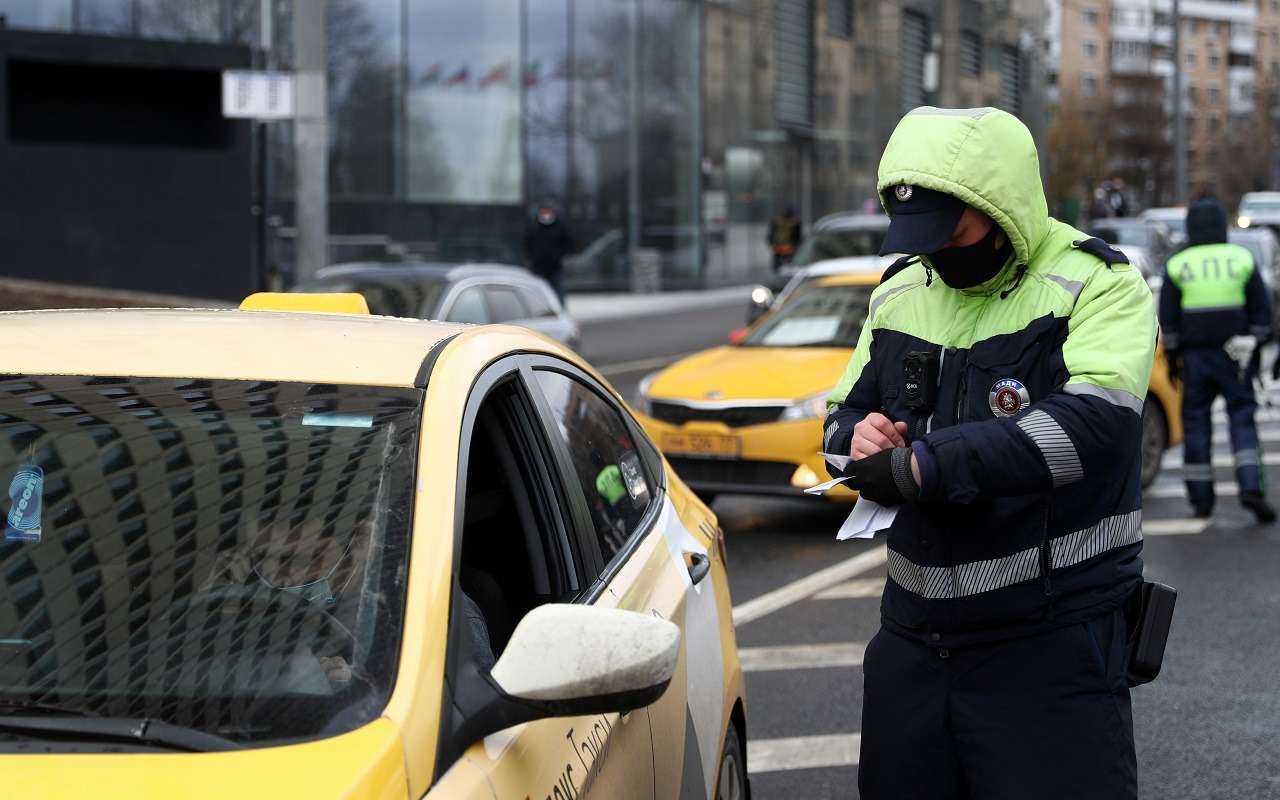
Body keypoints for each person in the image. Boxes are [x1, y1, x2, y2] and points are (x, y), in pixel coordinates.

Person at [823, 107, 1155, 799]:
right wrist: (855, 441)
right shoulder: (900, 290)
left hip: (1049, 647)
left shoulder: (1098, 283)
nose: (937, 250)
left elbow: (1093, 429)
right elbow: (840, 415)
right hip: (912, 648)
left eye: (953, 230)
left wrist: (931, 465)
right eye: (920, 236)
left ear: (998, 206)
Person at [1160, 196, 1275, 522]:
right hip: (1235, 354)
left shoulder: (1177, 264)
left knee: (1196, 423)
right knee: (1242, 417)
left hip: (1195, 357)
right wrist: (1257, 342)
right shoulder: (1241, 258)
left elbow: (1167, 316)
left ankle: (1201, 500)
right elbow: (1261, 311)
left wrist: (1172, 355)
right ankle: (1251, 486)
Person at [522, 201, 574, 302]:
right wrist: (531, 258)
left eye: (548, 211)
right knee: (538, 296)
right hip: (538, 268)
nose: (546, 214)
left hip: (555, 268)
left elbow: (569, 244)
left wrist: (558, 255)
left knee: (558, 294)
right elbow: (527, 245)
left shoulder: (560, 226)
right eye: (544, 212)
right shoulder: (534, 227)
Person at [766, 206, 802, 271]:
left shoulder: (776, 221)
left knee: (779, 266)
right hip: (786, 248)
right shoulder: (795, 222)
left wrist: (771, 243)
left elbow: (770, 235)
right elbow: (798, 237)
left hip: (781, 248)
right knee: (789, 265)